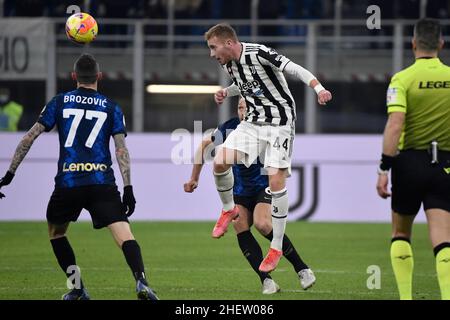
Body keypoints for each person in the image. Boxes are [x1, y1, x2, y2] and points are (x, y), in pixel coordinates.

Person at [0, 54, 158, 300]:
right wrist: (128, 187)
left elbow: (28, 137)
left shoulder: (59, 102)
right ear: (100, 77)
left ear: (73, 76)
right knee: (125, 235)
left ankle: (77, 288)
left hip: (68, 183)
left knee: (57, 234)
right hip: (101, 183)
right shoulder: (111, 106)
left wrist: (10, 174)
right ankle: (142, 282)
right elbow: (121, 149)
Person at [204, 23, 332, 272]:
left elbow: (294, 68)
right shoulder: (228, 62)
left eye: (213, 47)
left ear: (228, 43)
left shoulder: (259, 53)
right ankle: (229, 209)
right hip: (253, 123)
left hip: (280, 124)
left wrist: (319, 88)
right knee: (220, 160)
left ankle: (276, 247)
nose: (211, 53)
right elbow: (246, 85)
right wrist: (226, 93)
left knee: (275, 181)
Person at [184, 98, 316, 294]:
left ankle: (302, 268)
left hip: (263, 186)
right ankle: (266, 281)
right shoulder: (231, 128)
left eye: (246, 107)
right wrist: (194, 177)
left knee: (263, 224)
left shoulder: (266, 126)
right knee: (240, 226)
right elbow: (204, 144)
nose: (242, 111)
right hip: (239, 190)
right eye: (239, 107)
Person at [376, 18, 450, 300]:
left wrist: (384, 168)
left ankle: (406, 297)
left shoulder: (402, 79)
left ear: (414, 44)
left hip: (408, 164)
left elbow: (396, 123)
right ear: (441, 44)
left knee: (401, 233)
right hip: (444, 164)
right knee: (443, 239)